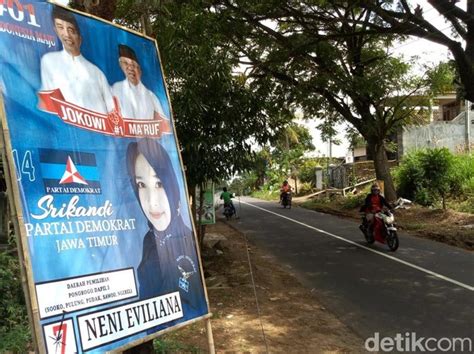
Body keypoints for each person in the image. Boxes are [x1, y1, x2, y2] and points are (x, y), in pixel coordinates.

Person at [126, 139, 207, 319]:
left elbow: (194, 305)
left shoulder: (185, 241)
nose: (152, 201)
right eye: (141, 185)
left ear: (172, 186)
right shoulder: (150, 238)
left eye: (159, 184)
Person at [40, 6, 115, 115]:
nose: (67, 35)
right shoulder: (49, 61)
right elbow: (47, 104)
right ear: (55, 30)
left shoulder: (97, 73)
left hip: (97, 129)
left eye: (71, 30)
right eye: (61, 27)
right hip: (65, 129)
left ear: (80, 39)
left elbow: (111, 109)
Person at [112, 44, 166, 120]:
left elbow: (164, 125)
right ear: (121, 66)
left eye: (133, 65)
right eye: (126, 64)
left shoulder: (151, 97)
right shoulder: (116, 88)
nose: (130, 68)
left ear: (140, 70)